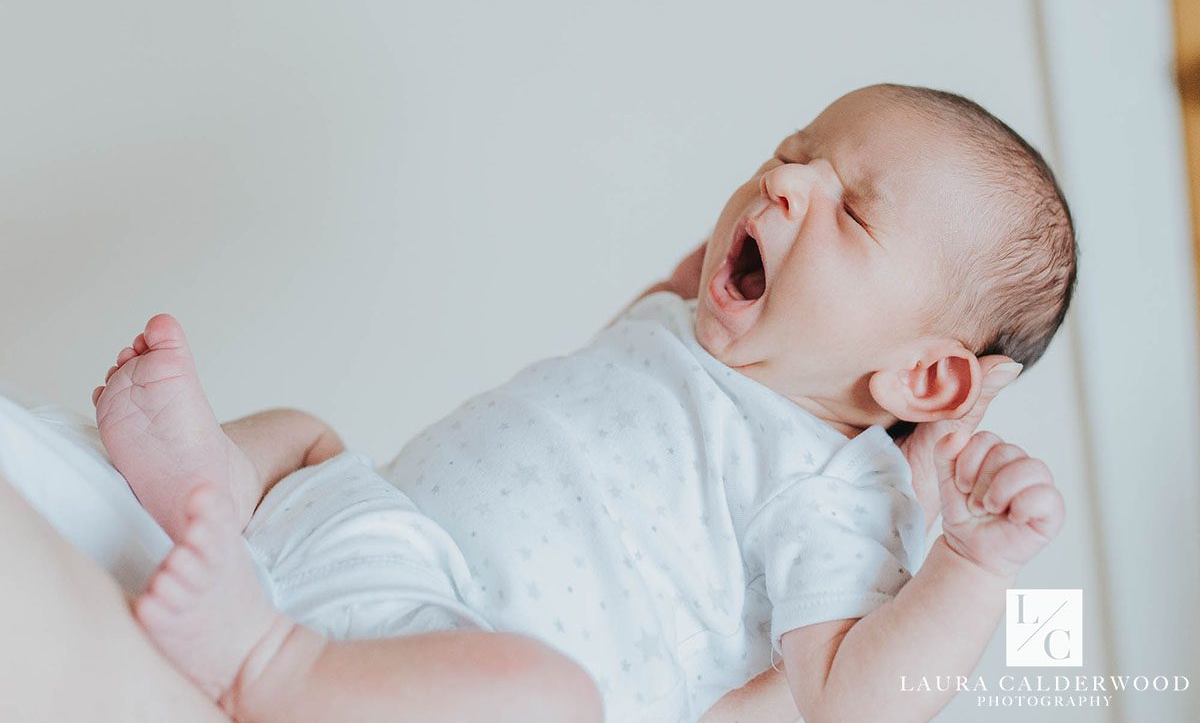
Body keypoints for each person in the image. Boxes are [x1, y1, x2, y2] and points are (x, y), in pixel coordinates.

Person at [94, 84, 1075, 722]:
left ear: (925, 379)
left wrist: (968, 562)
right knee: (306, 436)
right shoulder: (688, 318)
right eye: (794, 148)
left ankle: (262, 659)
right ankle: (210, 483)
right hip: (377, 534)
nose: (783, 178)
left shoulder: (828, 489)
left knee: (549, 700)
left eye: (850, 208)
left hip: (450, 664)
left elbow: (855, 700)